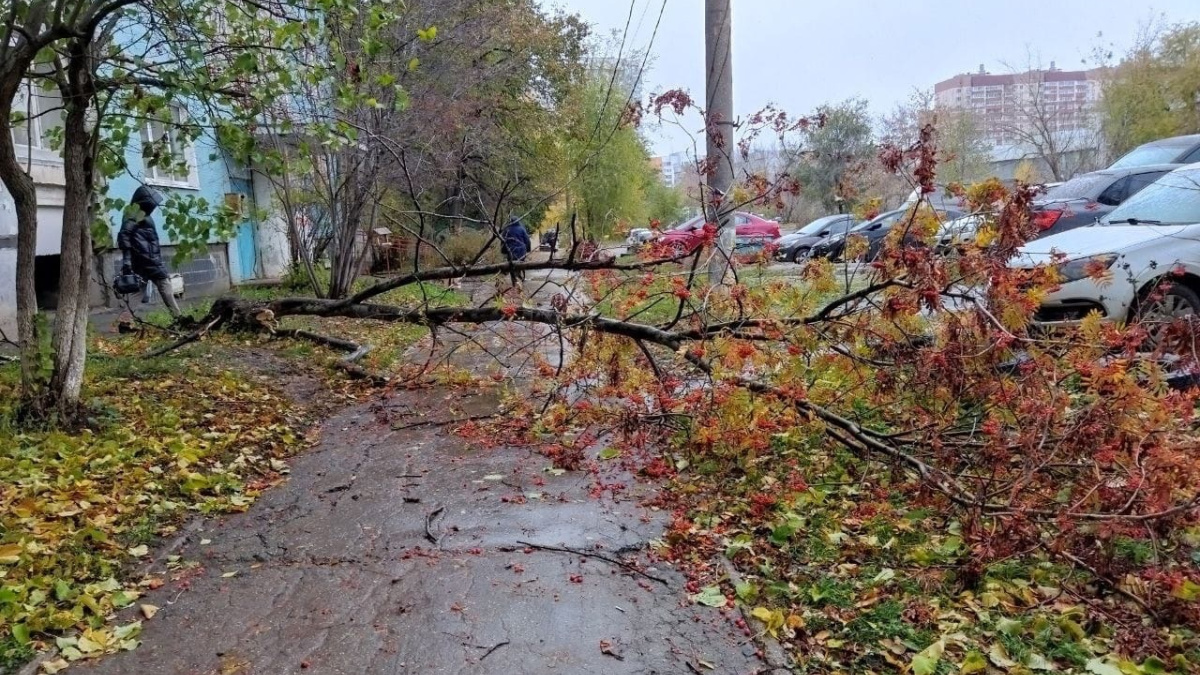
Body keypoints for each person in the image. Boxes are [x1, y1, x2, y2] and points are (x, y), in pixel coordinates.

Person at [118, 186, 181, 319]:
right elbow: (124, 235)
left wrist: (129, 260)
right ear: (143, 202)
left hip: (144, 259)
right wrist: (127, 259)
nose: (153, 208)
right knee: (165, 285)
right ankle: (178, 318)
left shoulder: (137, 214)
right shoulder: (134, 215)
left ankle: (124, 321)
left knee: (138, 291)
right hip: (149, 259)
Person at [500, 217, 531, 286]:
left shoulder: (506, 229)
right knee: (520, 264)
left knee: (511, 265)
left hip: (510, 251)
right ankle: (519, 278)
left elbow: (503, 241)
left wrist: (503, 251)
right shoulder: (522, 229)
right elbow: (527, 240)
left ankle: (514, 281)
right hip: (521, 251)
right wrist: (528, 249)